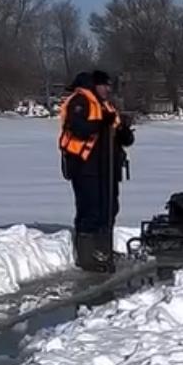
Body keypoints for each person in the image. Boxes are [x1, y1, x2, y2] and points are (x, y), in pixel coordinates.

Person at [58, 70, 134, 272]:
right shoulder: (80, 101)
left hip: (107, 168)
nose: (108, 89)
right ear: (94, 85)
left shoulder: (107, 106)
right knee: (90, 210)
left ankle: (103, 249)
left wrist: (123, 130)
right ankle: (87, 255)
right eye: (104, 85)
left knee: (109, 209)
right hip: (85, 166)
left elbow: (122, 138)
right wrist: (102, 123)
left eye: (109, 86)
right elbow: (79, 128)